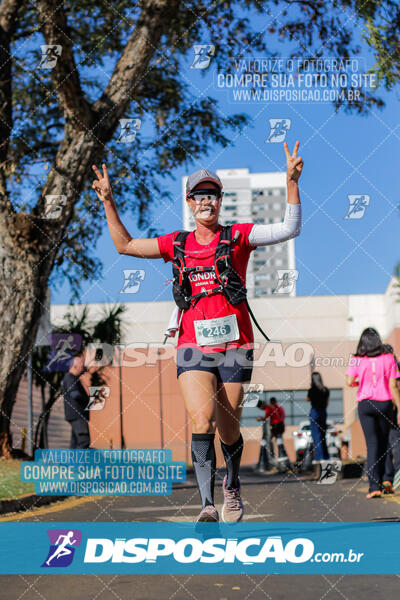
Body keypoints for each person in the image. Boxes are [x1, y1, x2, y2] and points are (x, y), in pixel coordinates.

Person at [92, 141, 303, 522]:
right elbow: (124, 245)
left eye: (212, 195)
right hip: (192, 345)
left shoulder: (237, 236)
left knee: (229, 429)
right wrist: (108, 201)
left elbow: (289, 228)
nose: (206, 201)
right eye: (199, 196)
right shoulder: (177, 244)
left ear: (220, 201)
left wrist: (291, 182)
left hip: (236, 345)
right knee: (200, 420)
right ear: (189, 202)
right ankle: (207, 503)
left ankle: (232, 485)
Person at [345, 328, 400, 499]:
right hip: (384, 404)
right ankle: (386, 479)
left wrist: (363, 381)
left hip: (365, 404)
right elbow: (393, 386)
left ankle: (373, 487)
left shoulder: (356, 360)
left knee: (372, 445)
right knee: (384, 444)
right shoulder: (388, 358)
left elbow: (349, 381)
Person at [61, 355, 91, 449]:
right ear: (74, 366)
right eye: (81, 364)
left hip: (77, 415)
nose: (83, 367)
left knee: (75, 443)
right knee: (84, 440)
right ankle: (79, 463)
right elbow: (75, 394)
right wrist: (88, 400)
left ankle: (71, 463)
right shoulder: (70, 378)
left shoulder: (73, 379)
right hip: (77, 415)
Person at [306, 372, 330, 462]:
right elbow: (327, 402)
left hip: (315, 412)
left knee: (316, 435)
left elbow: (307, 399)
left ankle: (319, 457)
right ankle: (326, 456)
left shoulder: (312, 390)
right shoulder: (325, 390)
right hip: (323, 412)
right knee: (323, 435)